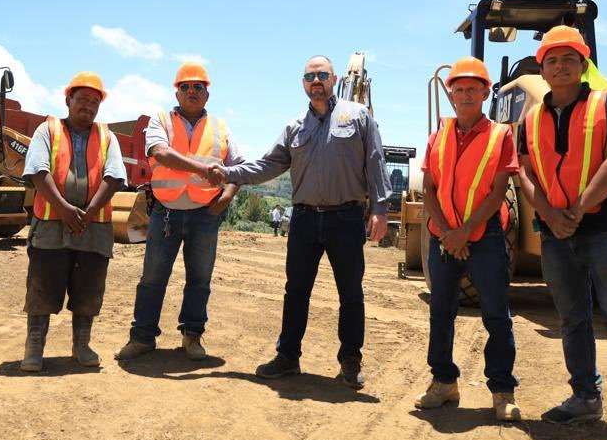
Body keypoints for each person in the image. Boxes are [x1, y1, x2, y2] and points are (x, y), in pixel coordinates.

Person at [210, 55, 392, 389]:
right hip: (305, 219)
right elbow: (267, 165)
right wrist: (229, 172)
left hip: (346, 217)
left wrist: (380, 209)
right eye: (310, 77)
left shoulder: (358, 116)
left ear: (334, 78)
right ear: (303, 83)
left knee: (350, 293)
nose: (316, 81)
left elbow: (376, 161)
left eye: (322, 75)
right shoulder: (295, 127)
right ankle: (288, 357)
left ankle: (350, 362)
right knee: (296, 291)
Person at [515, 25, 607, 440]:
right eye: (552, 60)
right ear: (542, 67)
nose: (560, 66)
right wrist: (550, 214)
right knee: (572, 319)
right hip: (555, 233)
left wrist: (576, 209)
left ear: (583, 64)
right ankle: (584, 396)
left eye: (569, 59)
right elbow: (524, 171)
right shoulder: (529, 118)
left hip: (605, 230)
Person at [414, 57, 521, 421]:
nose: (465, 94)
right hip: (443, 237)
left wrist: (464, 232)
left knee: (496, 315)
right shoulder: (437, 136)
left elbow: (497, 192)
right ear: (450, 93)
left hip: (486, 236)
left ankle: (502, 391)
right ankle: (444, 382)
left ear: (485, 92)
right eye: (458, 89)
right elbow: (428, 189)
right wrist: (447, 233)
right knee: (441, 313)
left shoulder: (500, 135)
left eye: (473, 89)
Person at [114, 63, 242, 361]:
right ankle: (142, 337)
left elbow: (238, 168)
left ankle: (192, 336)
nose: (192, 91)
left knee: (200, 279)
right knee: (152, 278)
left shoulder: (221, 128)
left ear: (207, 94)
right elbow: (160, 153)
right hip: (166, 212)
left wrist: (227, 196)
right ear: (177, 92)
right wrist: (204, 169)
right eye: (185, 87)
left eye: (198, 87)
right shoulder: (161, 120)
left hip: (205, 215)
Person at [20, 71, 125, 372]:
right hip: (52, 223)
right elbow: (38, 170)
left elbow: (115, 176)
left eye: (95, 101)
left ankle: (82, 345)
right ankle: (34, 348)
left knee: (88, 288)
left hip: (94, 228)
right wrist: (65, 208)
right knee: (42, 287)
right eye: (82, 99)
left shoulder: (107, 137)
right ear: (68, 99)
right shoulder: (47, 130)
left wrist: (88, 212)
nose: (88, 106)